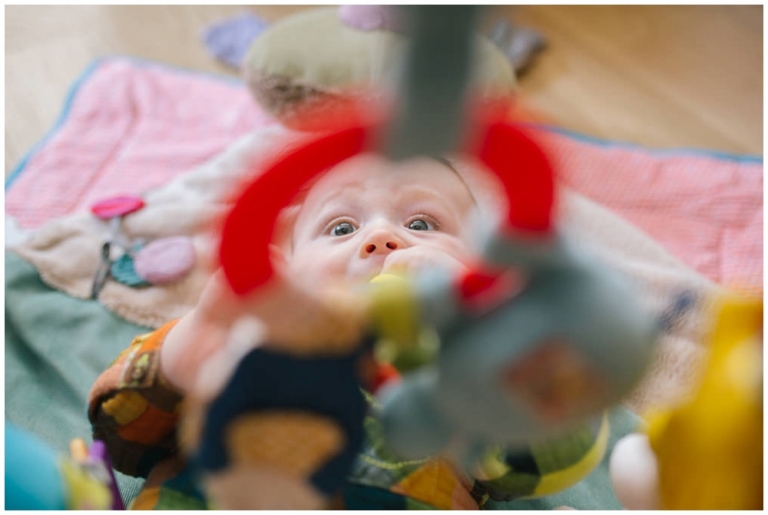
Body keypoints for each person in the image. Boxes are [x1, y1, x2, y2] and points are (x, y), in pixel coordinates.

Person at [88, 151, 601, 510]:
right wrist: (187, 350)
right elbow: (124, 437)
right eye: (341, 228)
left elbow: (536, 463)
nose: (380, 237)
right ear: (288, 263)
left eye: (423, 225)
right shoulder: (249, 332)